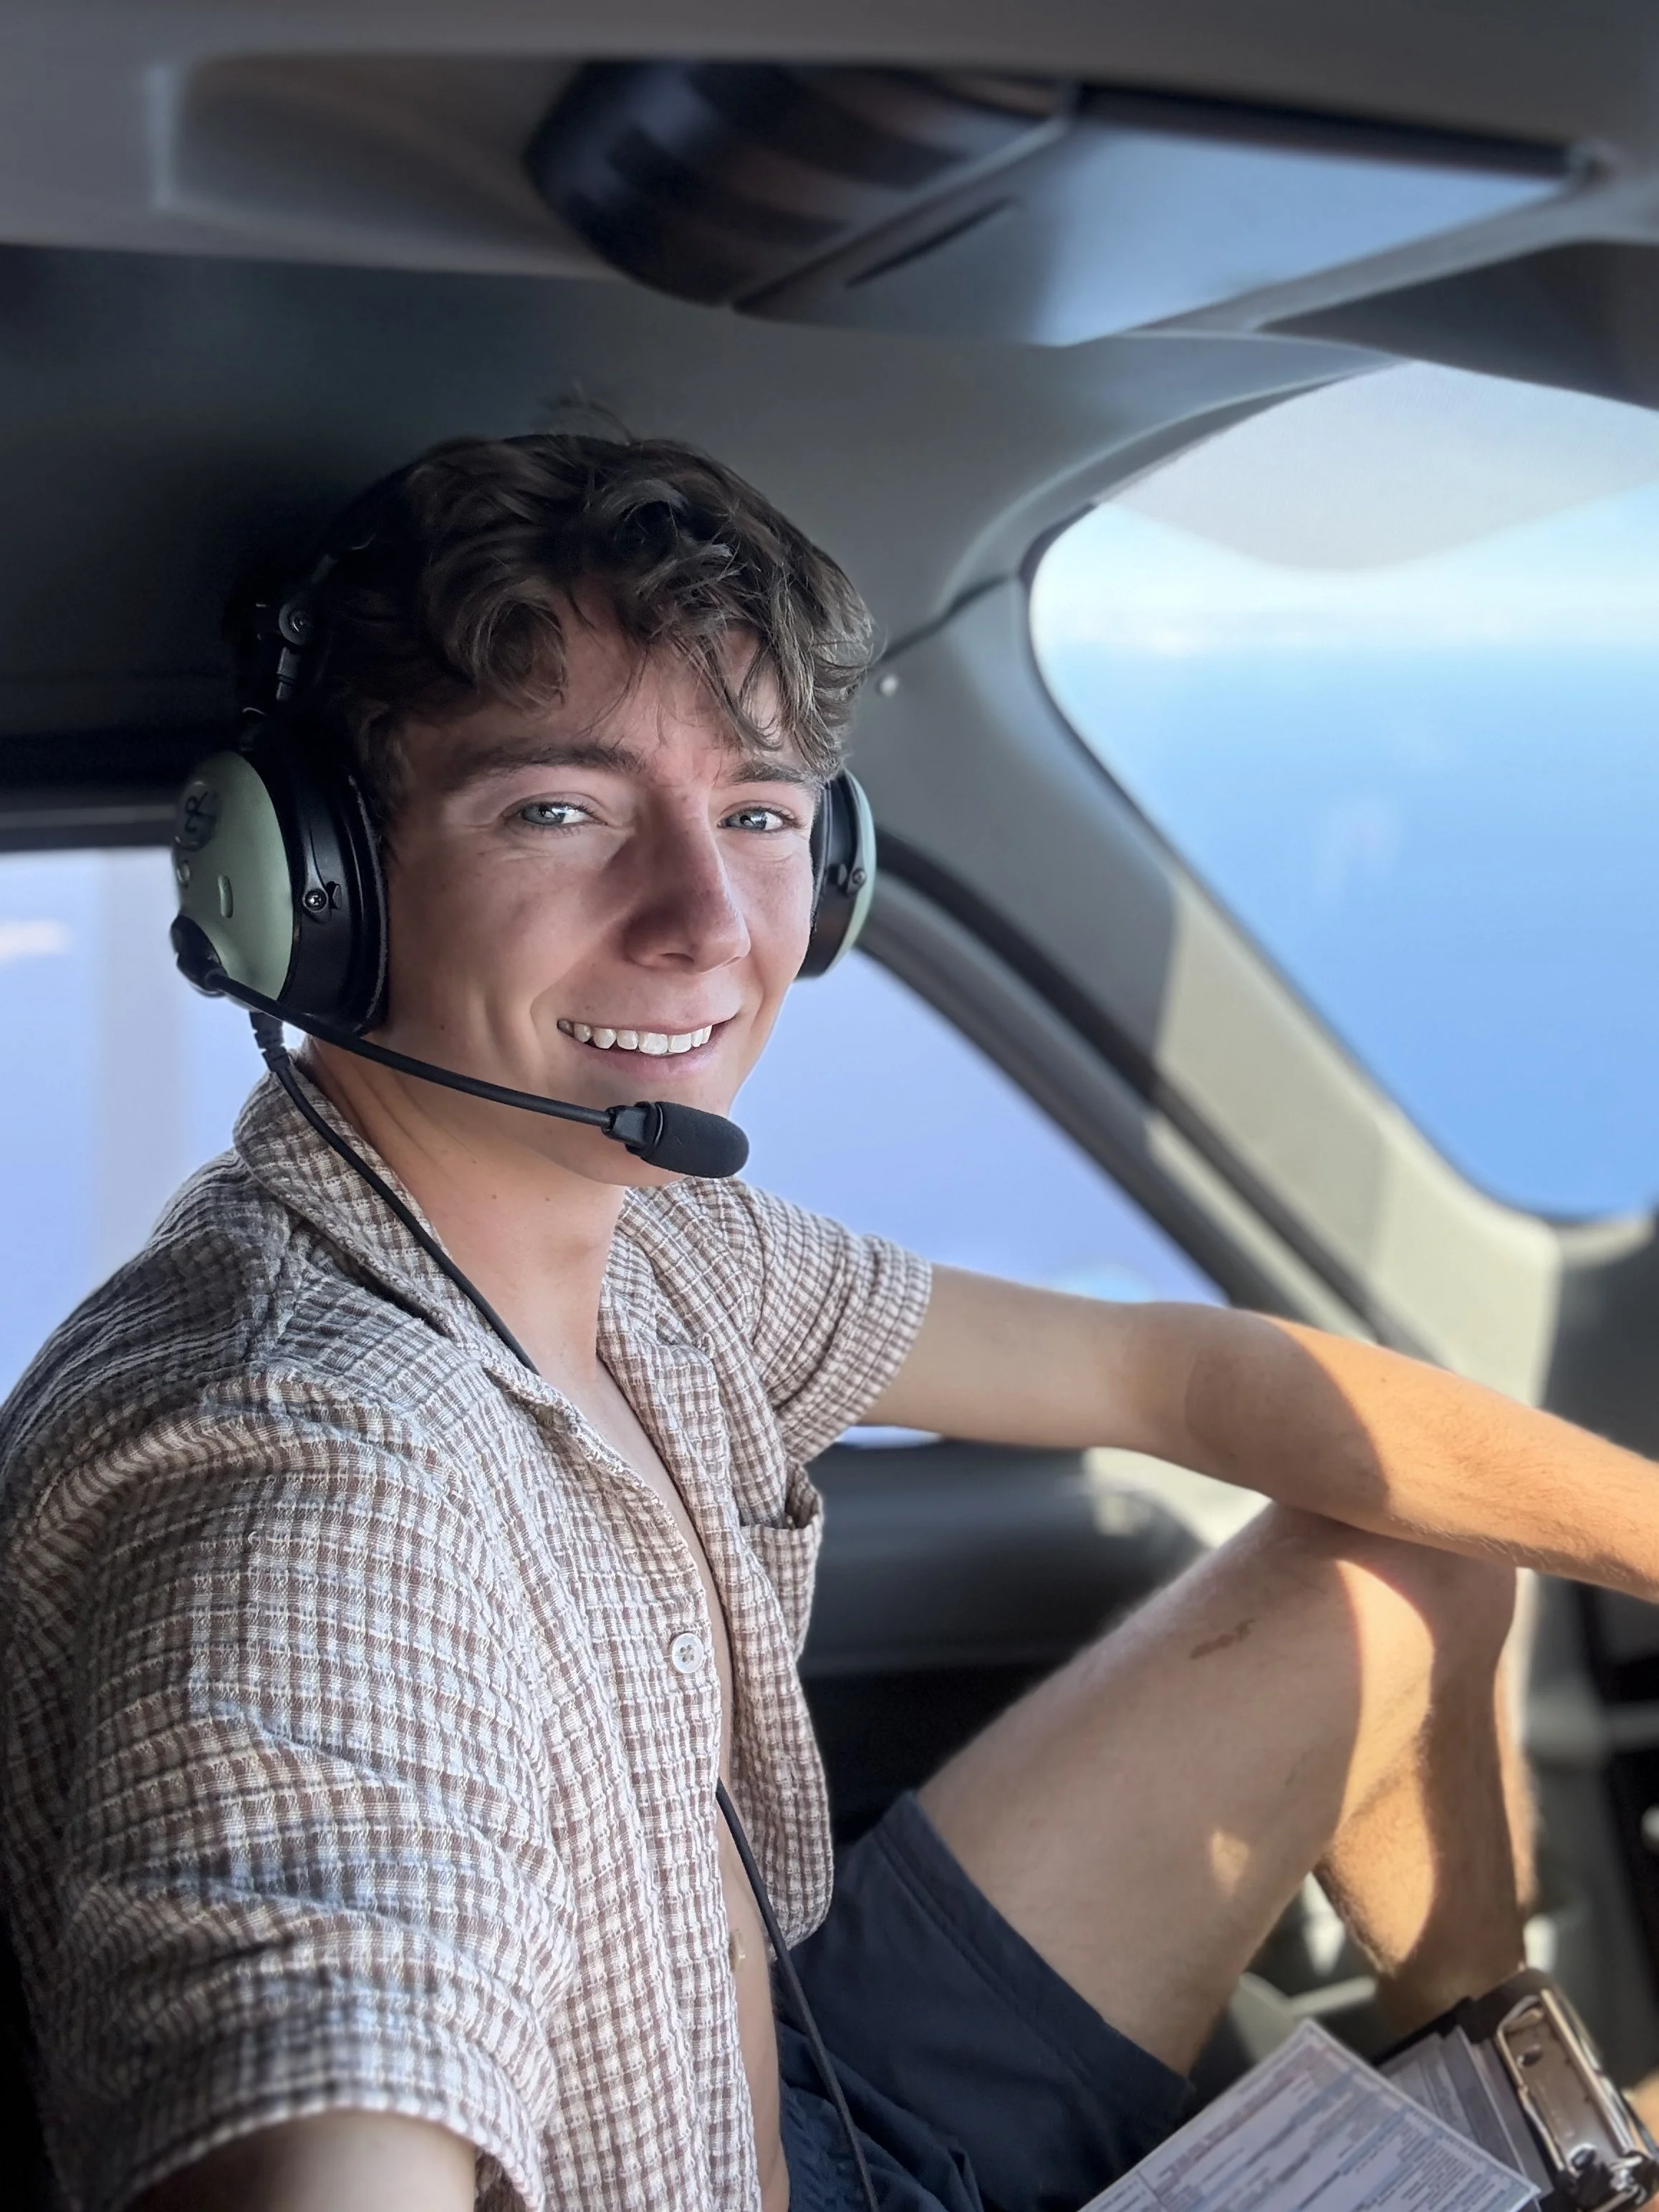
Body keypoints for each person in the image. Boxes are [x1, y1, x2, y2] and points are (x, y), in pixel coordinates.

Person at [0, 431, 1652, 2212]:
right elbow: (321, 2029)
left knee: (1408, 1560)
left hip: (802, 2095)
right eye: (560, 808)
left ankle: (1506, 2113)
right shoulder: (309, 1475)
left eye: (761, 817)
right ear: (314, 882)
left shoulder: (654, 1241)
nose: (710, 926)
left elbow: (1184, 1371)